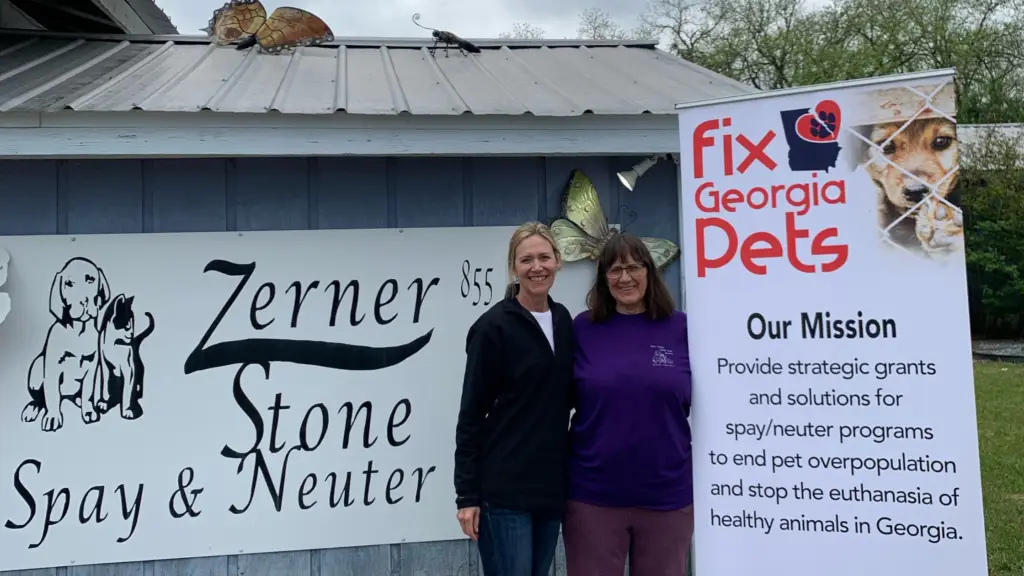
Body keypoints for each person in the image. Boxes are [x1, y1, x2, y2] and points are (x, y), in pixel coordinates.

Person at [562, 232, 694, 576]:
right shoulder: (583, 329)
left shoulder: (682, 328)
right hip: (593, 496)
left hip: (667, 495)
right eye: (615, 270)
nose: (625, 278)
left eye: (634, 268)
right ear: (604, 278)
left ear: (650, 272)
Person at [453, 221, 576, 576]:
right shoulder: (493, 328)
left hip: (550, 489)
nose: (537, 267)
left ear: (557, 262)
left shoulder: (564, 321)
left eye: (544, 257)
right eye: (526, 260)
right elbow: (471, 416)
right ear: (514, 267)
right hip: (505, 492)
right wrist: (467, 497)